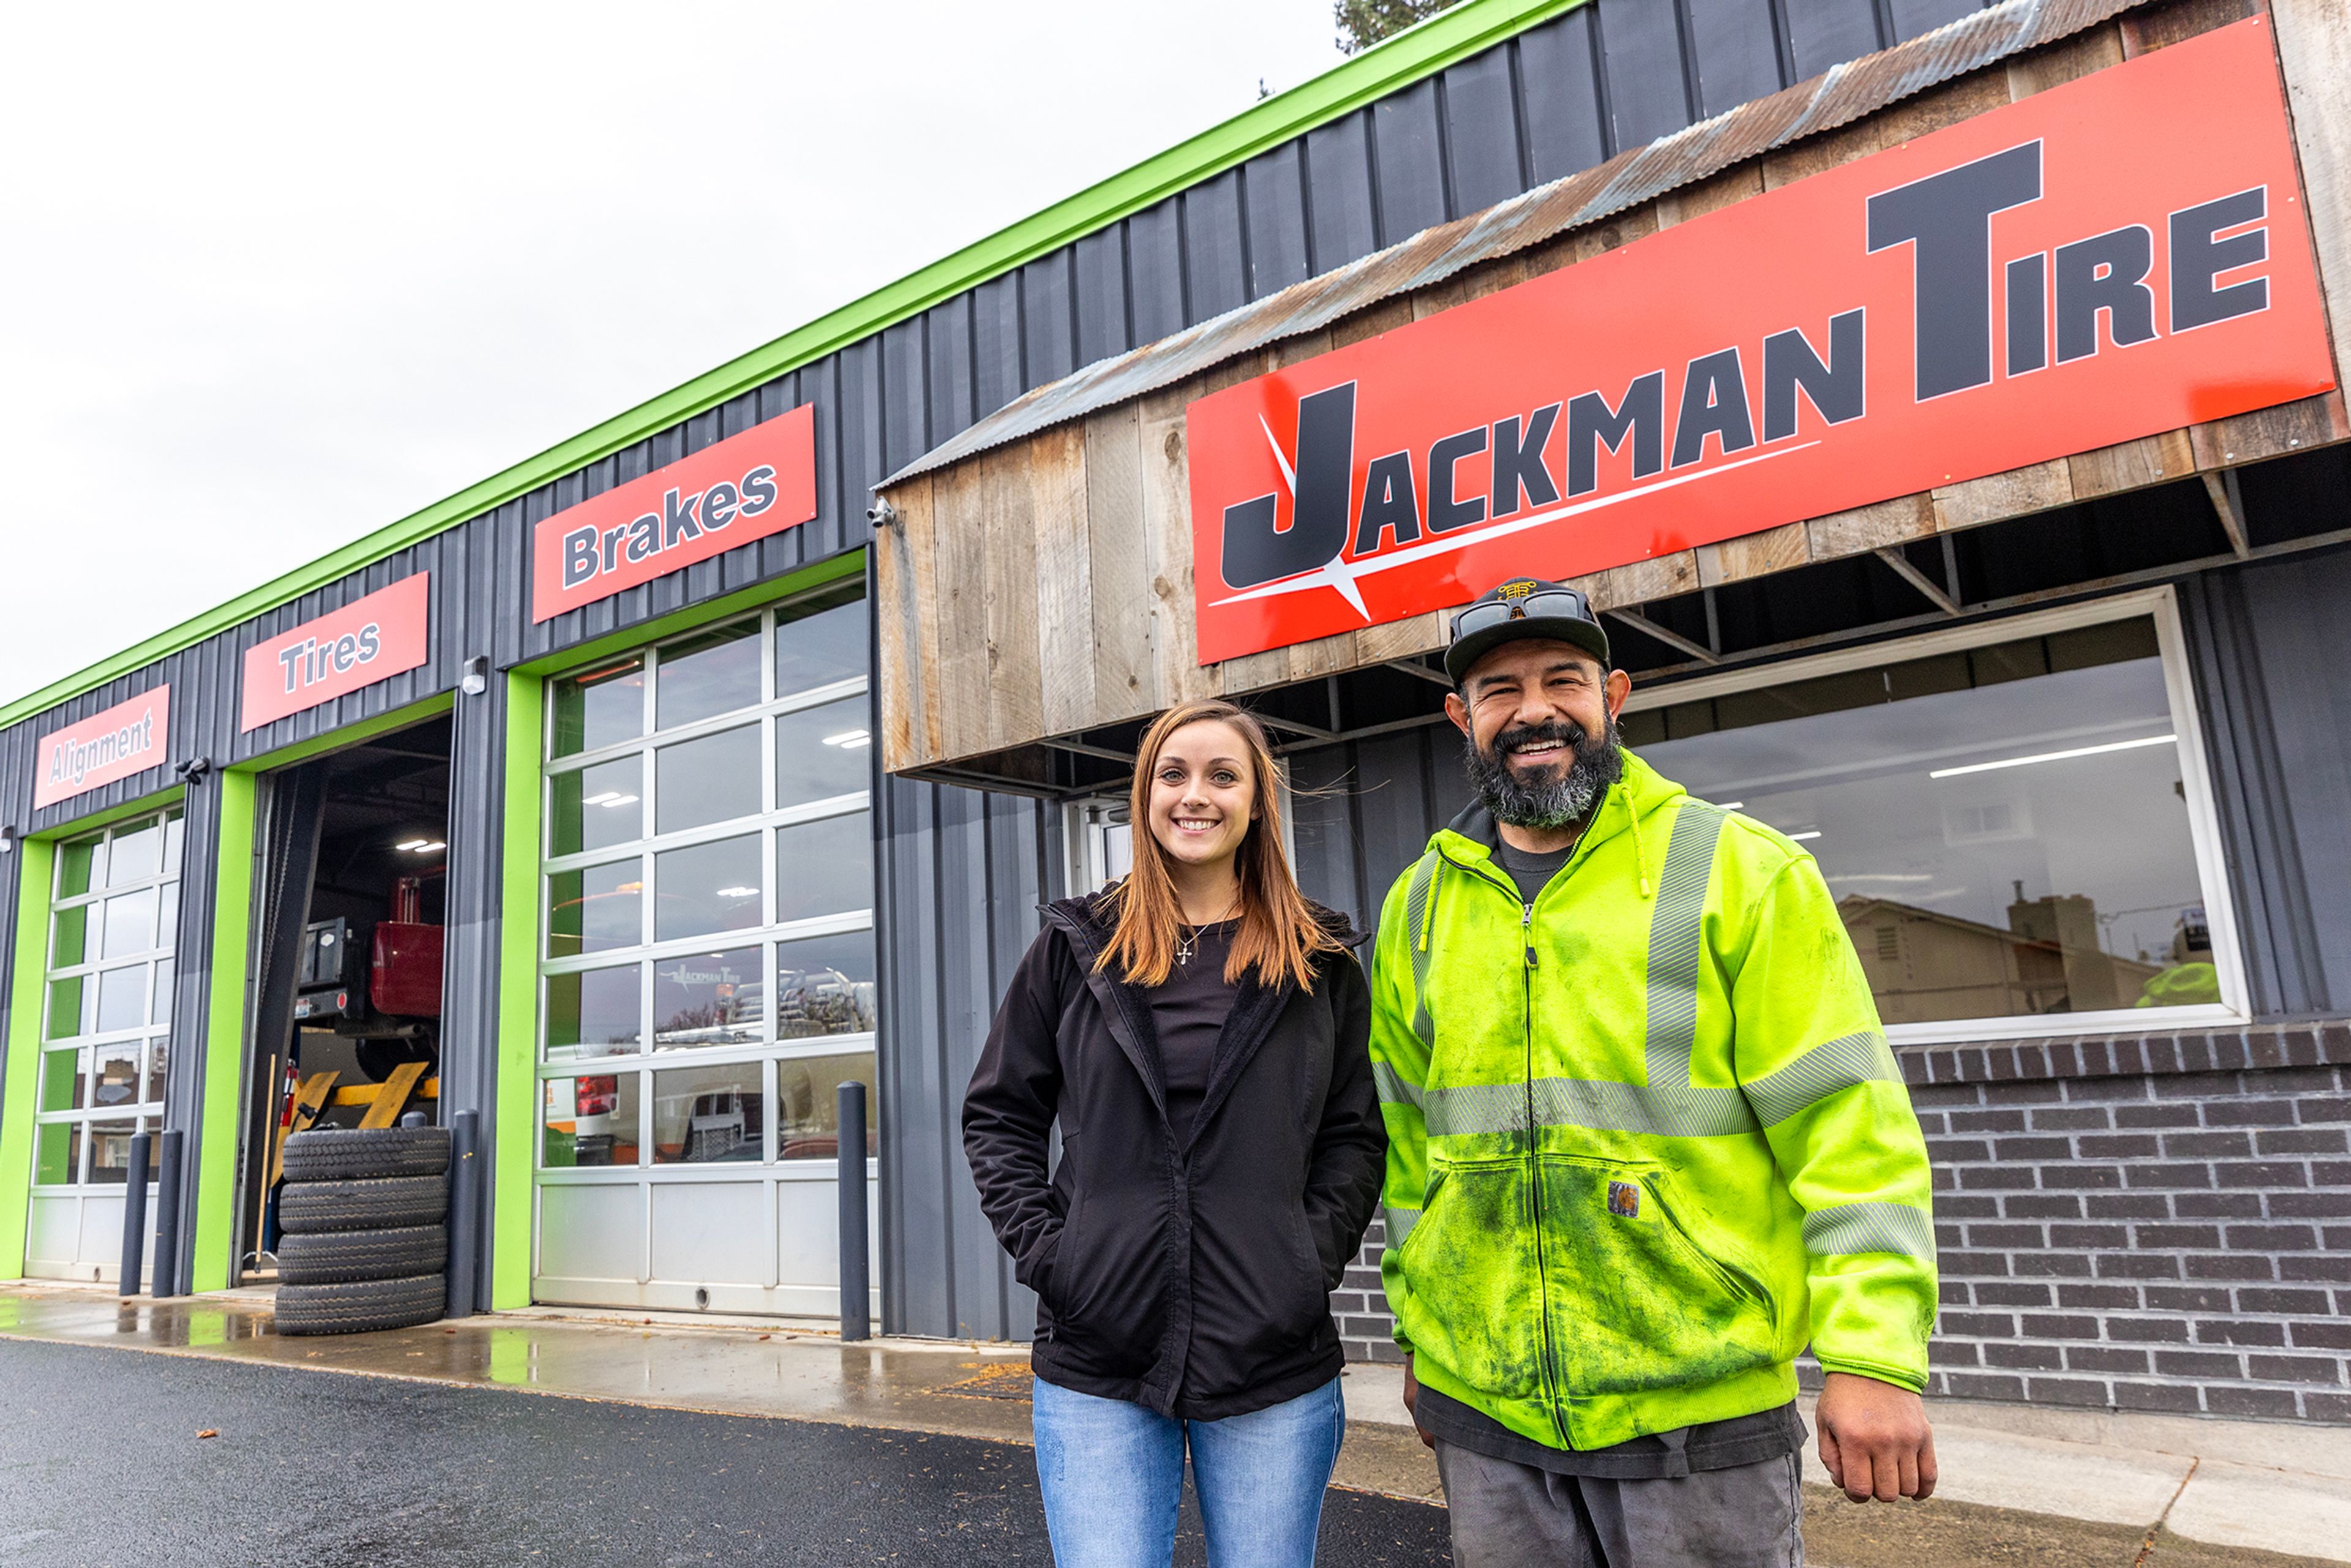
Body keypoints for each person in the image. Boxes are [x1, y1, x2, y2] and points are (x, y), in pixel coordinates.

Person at [1369, 577, 1939, 1567]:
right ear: (1461, 717)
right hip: (1487, 1412)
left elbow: (1850, 1127)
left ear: (1615, 695)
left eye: (1564, 680)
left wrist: (1872, 1355)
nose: (1535, 710)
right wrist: (1420, 1335)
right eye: (1500, 690)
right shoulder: (1417, 907)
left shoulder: (1743, 872)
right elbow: (1413, 1151)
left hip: (1699, 1417)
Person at [965, 698, 1387, 1568]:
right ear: (1144, 794)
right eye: (1174, 773)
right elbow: (1000, 1114)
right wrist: (1058, 1255)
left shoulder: (1320, 959)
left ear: (1257, 801)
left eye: (1223, 775)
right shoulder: (1075, 947)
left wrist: (1302, 1263)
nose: (1196, 795)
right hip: (1099, 1355)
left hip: (1271, 1356)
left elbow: (1354, 1135)